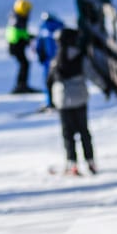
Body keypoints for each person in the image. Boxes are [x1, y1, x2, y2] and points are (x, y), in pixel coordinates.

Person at [47, 27, 96, 175]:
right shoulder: (80, 57)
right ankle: (90, 162)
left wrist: (50, 101)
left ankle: (72, 164)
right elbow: (92, 74)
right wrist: (106, 87)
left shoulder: (56, 60)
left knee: (68, 134)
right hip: (80, 98)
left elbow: (49, 81)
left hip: (63, 100)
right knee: (84, 131)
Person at [6, 0, 36, 94]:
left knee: (24, 64)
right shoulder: (18, 18)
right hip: (16, 44)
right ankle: (21, 85)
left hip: (16, 44)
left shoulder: (15, 16)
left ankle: (22, 84)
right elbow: (19, 32)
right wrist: (28, 38)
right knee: (24, 64)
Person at [35, 12, 65, 109]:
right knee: (62, 80)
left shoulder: (43, 28)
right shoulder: (60, 26)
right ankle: (62, 100)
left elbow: (39, 45)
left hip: (48, 60)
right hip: (61, 58)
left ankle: (50, 102)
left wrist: (40, 56)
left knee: (48, 81)